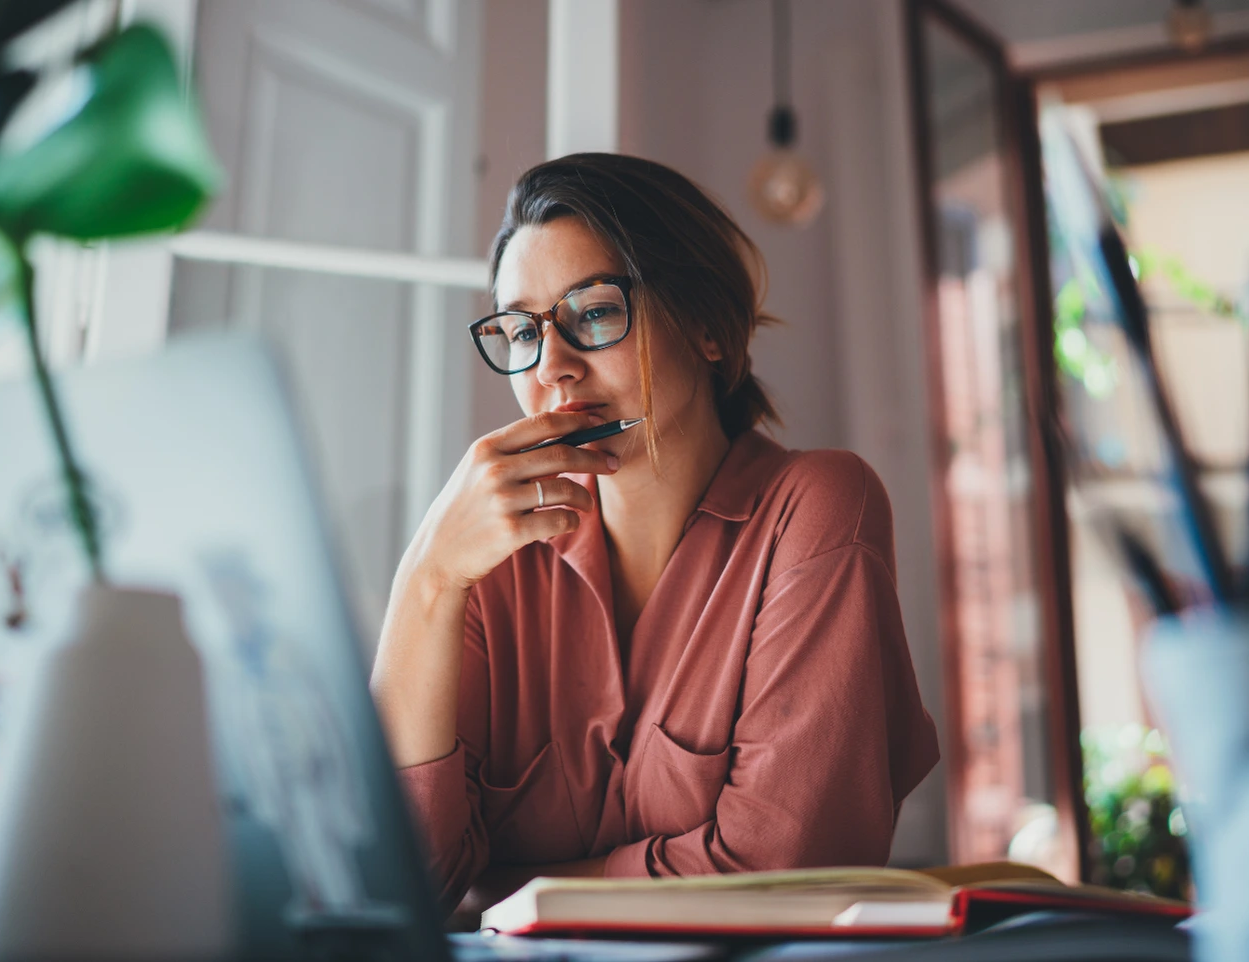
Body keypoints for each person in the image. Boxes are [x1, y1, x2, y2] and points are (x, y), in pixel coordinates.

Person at [370, 153, 939, 914]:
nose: (554, 371)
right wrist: (427, 578)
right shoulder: (487, 562)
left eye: (595, 311)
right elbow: (398, 888)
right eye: (521, 332)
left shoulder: (817, 507)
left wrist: (506, 892)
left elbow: (782, 870)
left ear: (705, 325)